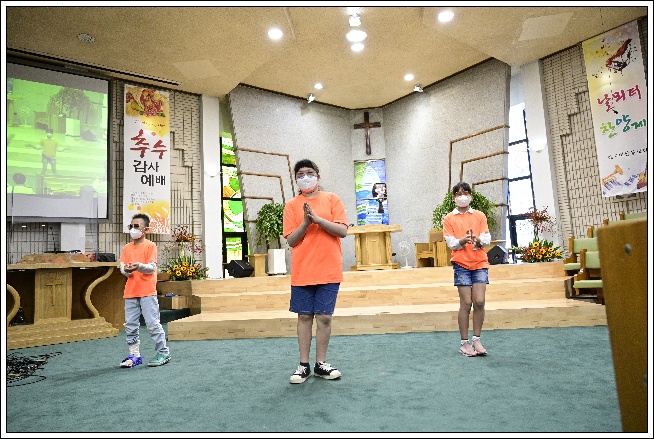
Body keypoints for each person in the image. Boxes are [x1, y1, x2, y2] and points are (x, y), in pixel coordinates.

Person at [283, 159, 349, 383]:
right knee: (304, 316)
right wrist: (305, 222)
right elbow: (292, 240)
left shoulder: (332, 199)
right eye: (300, 174)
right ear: (296, 180)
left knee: (324, 317)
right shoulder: (292, 205)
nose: (305, 177)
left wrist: (318, 219)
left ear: (318, 177)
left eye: (309, 173)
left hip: (329, 269)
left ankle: (321, 364)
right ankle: (303, 365)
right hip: (303, 270)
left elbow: (342, 231)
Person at [443, 182, 491, 357]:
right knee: (466, 303)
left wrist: (478, 240)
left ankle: (477, 339)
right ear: (454, 197)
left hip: (480, 262)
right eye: (459, 193)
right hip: (461, 264)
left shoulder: (479, 215)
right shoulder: (449, 218)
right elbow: (451, 243)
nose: (462, 196)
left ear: (471, 195)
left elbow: (487, 238)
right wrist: (463, 241)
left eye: (465, 193)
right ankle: (464, 342)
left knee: (479, 301)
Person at [118, 213, 171, 368]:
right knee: (130, 325)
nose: (133, 229)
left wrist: (138, 266)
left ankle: (163, 352)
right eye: (131, 226)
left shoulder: (150, 246)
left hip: (147, 291)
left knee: (152, 324)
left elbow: (152, 268)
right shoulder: (126, 248)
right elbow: (122, 268)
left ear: (145, 229)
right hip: (130, 292)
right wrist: (127, 270)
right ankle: (134, 355)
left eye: (136, 226)